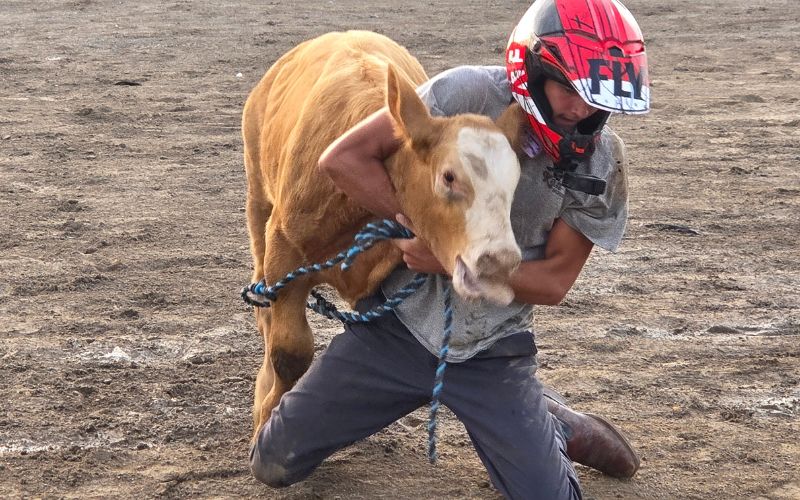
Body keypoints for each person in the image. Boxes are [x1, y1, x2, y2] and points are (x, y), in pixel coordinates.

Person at [250, 0, 650, 498]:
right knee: (271, 464)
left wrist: (448, 258)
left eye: (598, 96)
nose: (582, 110)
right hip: (394, 331)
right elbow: (345, 158)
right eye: (569, 88)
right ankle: (536, 418)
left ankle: (551, 425)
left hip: (492, 347)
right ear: (535, 68)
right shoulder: (465, 92)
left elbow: (554, 281)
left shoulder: (599, 164)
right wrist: (417, 226)